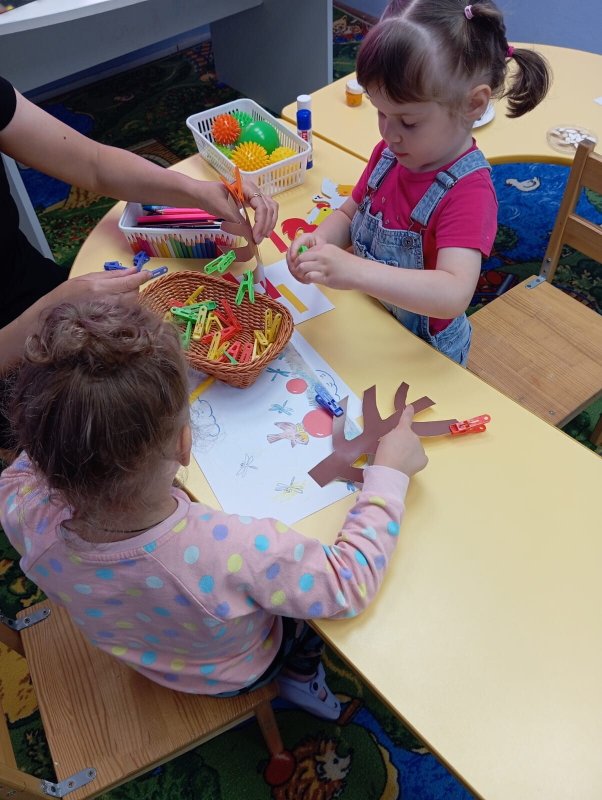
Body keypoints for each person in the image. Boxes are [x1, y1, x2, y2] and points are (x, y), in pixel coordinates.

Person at [0, 299, 427, 720]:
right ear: (185, 444)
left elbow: (31, 460)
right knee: (310, 627)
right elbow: (347, 584)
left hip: (146, 653)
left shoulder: (17, 504)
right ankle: (299, 674)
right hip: (237, 670)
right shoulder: (233, 550)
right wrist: (390, 474)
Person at [0, 73, 277, 448]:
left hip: (39, 290)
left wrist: (199, 192)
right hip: (17, 360)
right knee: (118, 437)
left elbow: (93, 163)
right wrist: (46, 314)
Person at [287, 0, 551, 365]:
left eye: (408, 122)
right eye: (380, 112)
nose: (388, 133)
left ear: (473, 105)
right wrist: (321, 241)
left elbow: (453, 292)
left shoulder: (469, 192)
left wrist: (355, 271)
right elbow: (350, 213)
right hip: (372, 320)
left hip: (423, 352)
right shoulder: (390, 154)